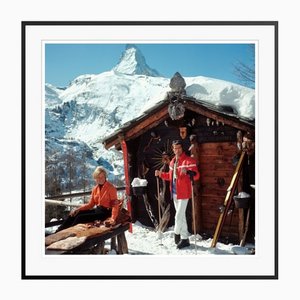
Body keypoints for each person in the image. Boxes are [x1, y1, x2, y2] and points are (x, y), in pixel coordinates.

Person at [155, 140, 200, 249]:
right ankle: (185, 239)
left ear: (182, 148)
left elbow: (197, 175)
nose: (177, 150)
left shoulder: (189, 160)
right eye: (175, 148)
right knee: (182, 217)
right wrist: (161, 174)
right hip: (174, 193)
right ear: (173, 149)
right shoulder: (172, 162)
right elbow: (170, 177)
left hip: (184, 193)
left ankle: (176, 233)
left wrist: (189, 172)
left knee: (178, 215)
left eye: (179, 148)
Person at [56, 166, 120, 232]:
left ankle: (68, 233)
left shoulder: (111, 188)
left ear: (105, 177)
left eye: (102, 177)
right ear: (95, 178)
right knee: (76, 214)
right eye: (98, 177)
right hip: (97, 211)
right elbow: (90, 205)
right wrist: (78, 209)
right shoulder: (95, 189)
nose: (100, 179)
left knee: (80, 218)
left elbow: (115, 205)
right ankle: (58, 231)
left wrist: (113, 218)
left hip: (105, 213)